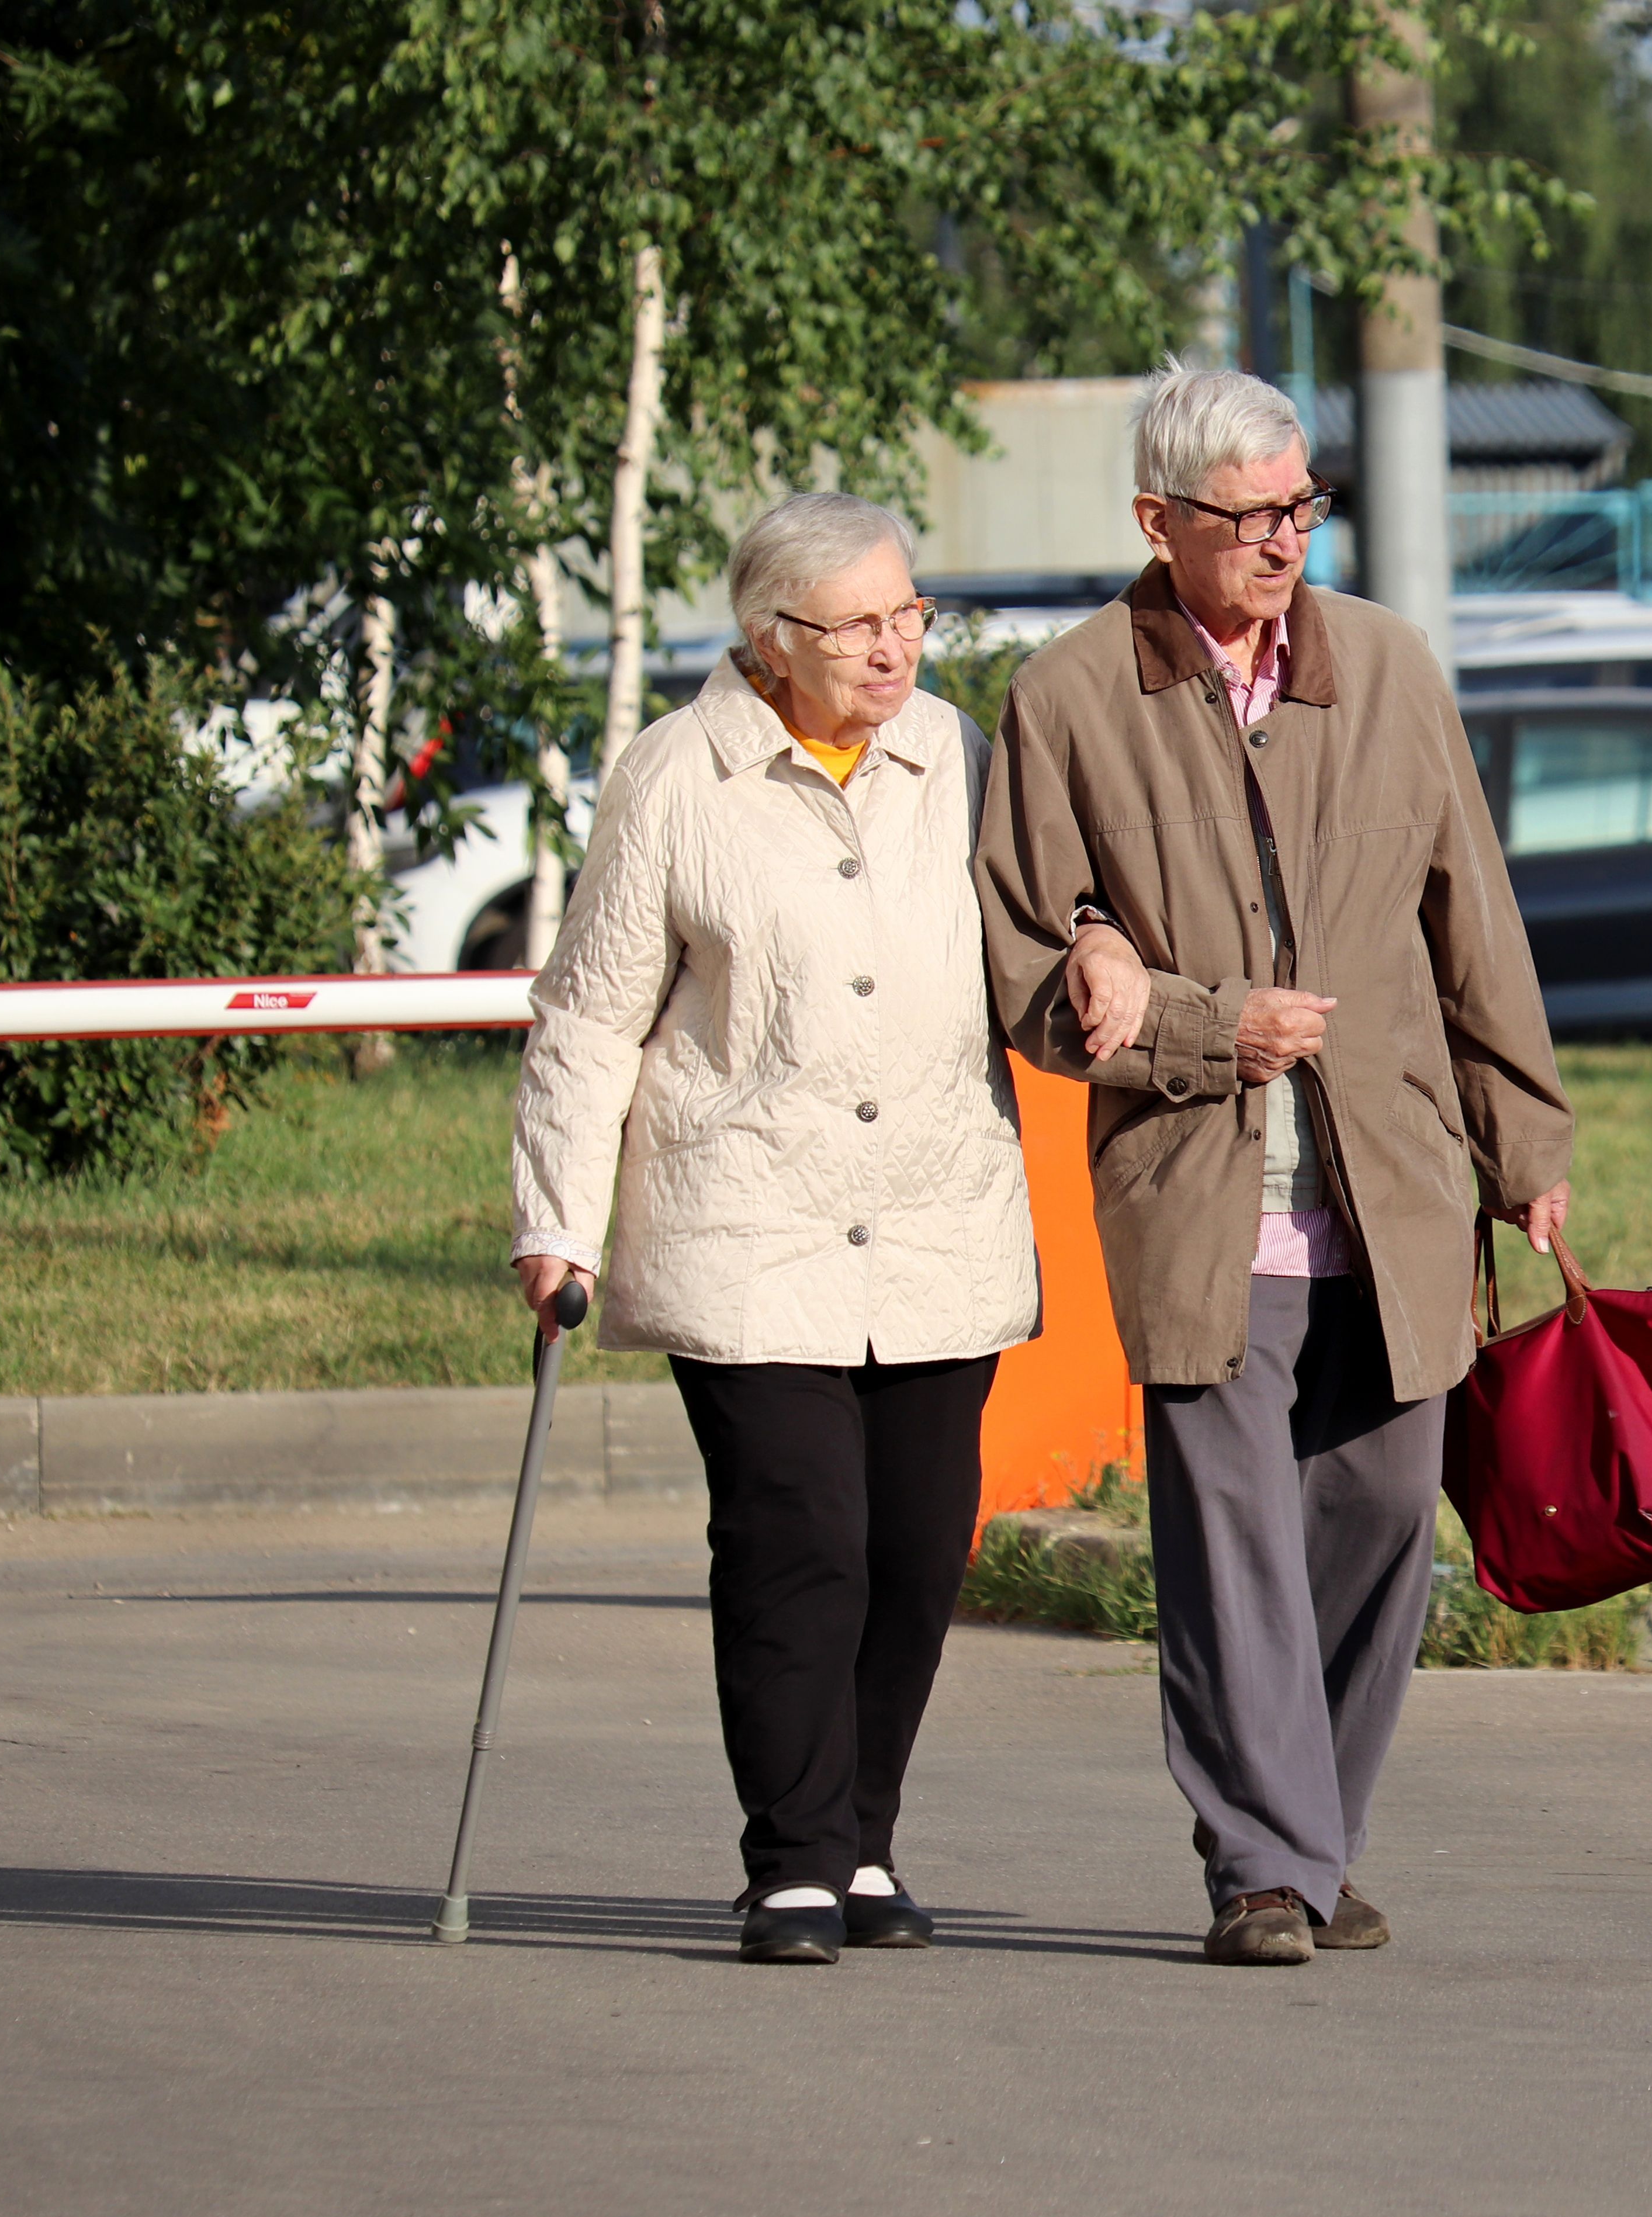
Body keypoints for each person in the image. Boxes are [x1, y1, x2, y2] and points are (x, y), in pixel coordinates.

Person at [976, 364, 1572, 1967]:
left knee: (1377, 1526)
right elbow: (1030, 969)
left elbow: (1475, 925)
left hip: (1395, 1184)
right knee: (1230, 1545)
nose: (1283, 542)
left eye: (1302, 508)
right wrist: (1200, 1027)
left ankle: (1311, 1835)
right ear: (1157, 523)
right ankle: (1260, 1866)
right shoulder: (1072, 698)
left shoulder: (1385, 667)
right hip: (1197, 1191)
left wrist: (1526, 1140)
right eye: (1248, 517)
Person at [510, 493, 1037, 1966]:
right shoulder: (678, 776)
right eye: (863, 622)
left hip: (936, 1209)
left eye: (910, 612)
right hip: (746, 1216)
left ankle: (866, 1839)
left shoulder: (959, 757)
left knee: (924, 1548)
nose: (897, 644)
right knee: (802, 1534)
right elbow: (591, 1015)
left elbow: (1042, 935)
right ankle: (795, 1859)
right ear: (772, 639)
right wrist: (559, 1216)